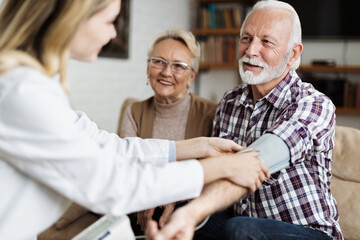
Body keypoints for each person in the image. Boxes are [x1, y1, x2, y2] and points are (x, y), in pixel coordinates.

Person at [0, 0, 270, 239]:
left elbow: (109, 146)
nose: (113, 32)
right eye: (109, 20)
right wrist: (222, 167)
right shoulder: (22, 90)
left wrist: (197, 146)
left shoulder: (31, 83)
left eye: (178, 66)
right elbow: (113, 184)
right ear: (73, 17)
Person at [148, 0, 342, 239]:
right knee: (170, 209)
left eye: (266, 42)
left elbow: (253, 164)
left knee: (239, 228)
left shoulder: (314, 104)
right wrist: (177, 195)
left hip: (305, 230)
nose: (251, 51)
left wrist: (194, 209)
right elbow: (219, 169)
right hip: (245, 220)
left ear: (293, 54)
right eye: (246, 38)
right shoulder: (230, 101)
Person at [119, 28, 218, 233]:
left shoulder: (211, 113)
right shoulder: (134, 111)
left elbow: (213, 175)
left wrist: (173, 194)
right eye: (159, 62)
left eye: (179, 66)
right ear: (148, 67)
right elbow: (125, 168)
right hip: (140, 203)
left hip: (188, 210)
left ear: (191, 76)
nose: (166, 72)